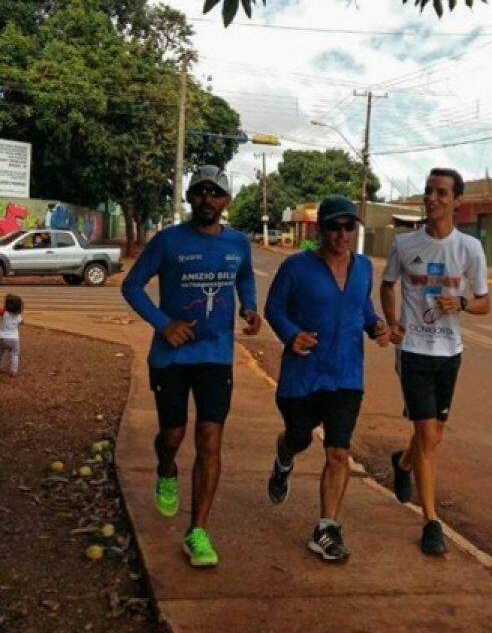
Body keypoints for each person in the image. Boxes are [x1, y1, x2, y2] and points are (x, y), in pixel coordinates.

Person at [122, 165, 261, 568]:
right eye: (199, 191)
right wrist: (164, 324)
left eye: (215, 193)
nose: (207, 199)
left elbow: (245, 277)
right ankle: (166, 469)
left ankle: (197, 530)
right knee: (172, 435)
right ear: (189, 197)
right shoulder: (168, 242)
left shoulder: (238, 243)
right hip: (172, 358)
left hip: (216, 356)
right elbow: (131, 285)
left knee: (210, 439)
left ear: (226, 201)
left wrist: (250, 307)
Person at [265, 195, 390, 563]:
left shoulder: (364, 267)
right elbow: (274, 307)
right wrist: (290, 334)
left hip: (347, 375)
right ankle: (284, 458)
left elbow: (361, 305)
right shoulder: (296, 267)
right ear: (320, 229)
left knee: (338, 451)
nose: (341, 233)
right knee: (298, 438)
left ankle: (326, 528)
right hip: (303, 375)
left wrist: (375, 326)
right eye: (334, 226)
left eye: (348, 226)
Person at [380, 168, 490, 555]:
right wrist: (394, 324)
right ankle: (430, 521)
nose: (432, 198)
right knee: (429, 436)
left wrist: (460, 303)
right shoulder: (404, 244)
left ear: (457, 201)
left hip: (450, 354)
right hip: (413, 353)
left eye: (441, 193)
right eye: (429, 191)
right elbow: (388, 284)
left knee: (433, 434)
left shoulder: (470, 249)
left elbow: (484, 303)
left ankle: (404, 462)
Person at [0, 293, 24, 377]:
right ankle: (13, 371)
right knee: (15, 355)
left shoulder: (4, 313)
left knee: (1, 353)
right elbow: (22, 322)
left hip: (2, 337)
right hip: (14, 338)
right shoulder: (18, 315)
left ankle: (1, 367)